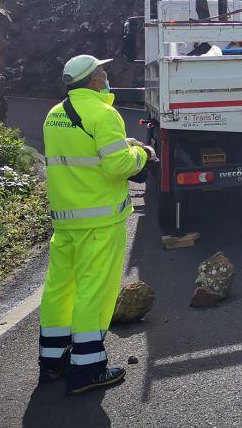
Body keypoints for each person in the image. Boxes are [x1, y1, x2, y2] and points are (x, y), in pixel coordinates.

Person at [37, 54, 153, 395]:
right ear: (92, 80)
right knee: (94, 290)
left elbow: (84, 156)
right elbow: (117, 166)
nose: (106, 74)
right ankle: (87, 367)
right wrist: (143, 154)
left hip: (66, 220)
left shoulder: (55, 114)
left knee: (60, 288)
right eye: (101, 71)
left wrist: (124, 147)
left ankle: (53, 361)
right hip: (100, 221)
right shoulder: (104, 114)